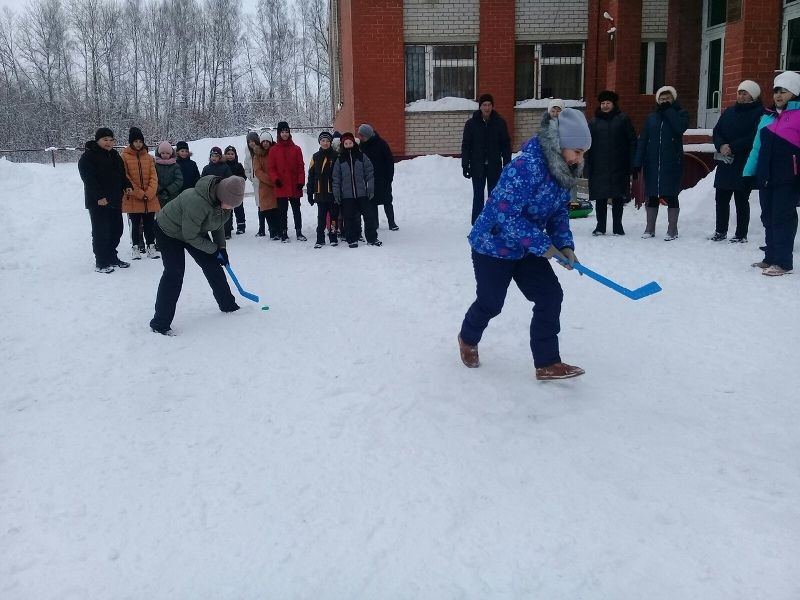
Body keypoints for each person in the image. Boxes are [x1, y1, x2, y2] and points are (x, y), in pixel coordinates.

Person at [458, 107, 590, 381]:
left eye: (582, 153)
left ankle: (547, 362)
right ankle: (467, 338)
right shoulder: (527, 166)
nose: (580, 158)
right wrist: (543, 245)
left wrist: (565, 245)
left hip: (527, 246)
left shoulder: (563, 173)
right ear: (560, 144)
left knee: (549, 296)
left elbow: (558, 213)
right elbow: (505, 212)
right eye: (576, 150)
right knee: (491, 303)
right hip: (493, 244)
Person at [149, 175, 246, 335]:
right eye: (228, 204)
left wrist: (221, 248)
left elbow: (217, 225)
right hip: (169, 231)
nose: (229, 207)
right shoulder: (196, 201)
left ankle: (228, 305)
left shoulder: (225, 203)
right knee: (174, 272)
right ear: (220, 194)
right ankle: (160, 323)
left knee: (213, 265)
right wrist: (214, 249)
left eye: (232, 206)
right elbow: (190, 236)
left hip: (193, 230)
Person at [743, 71, 800, 276]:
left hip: (789, 178)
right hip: (767, 177)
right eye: (776, 91)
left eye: (784, 92)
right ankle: (771, 257)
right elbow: (756, 148)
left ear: (794, 93)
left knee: (782, 218)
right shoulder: (766, 117)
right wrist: (749, 173)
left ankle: (783, 262)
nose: (778, 95)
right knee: (768, 216)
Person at [709, 80, 763, 243]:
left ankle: (741, 234)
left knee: (741, 199)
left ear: (753, 95)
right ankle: (720, 231)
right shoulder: (729, 111)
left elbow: (754, 136)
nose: (741, 95)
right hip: (726, 161)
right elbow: (717, 131)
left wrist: (732, 146)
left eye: (745, 93)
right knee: (721, 198)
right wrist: (721, 145)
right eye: (740, 92)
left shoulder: (760, 113)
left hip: (744, 161)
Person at [633, 85, 689, 241]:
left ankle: (672, 229)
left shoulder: (681, 114)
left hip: (671, 162)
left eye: (668, 98)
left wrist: (669, 111)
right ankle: (650, 228)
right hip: (652, 162)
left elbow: (680, 128)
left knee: (671, 194)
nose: (664, 101)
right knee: (651, 195)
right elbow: (643, 140)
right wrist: (637, 162)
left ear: (673, 99)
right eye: (662, 99)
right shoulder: (651, 118)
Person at [78, 127, 133, 273]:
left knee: (116, 230)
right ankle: (101, 261)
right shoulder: (88, 157)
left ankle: (112, 257)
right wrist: (99, 197)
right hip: (98, 201)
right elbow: (88, 179)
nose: (109, 143)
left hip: (115, 199)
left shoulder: (114, 155)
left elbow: (121, 174)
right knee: (101, 231)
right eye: (105, 140)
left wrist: (127, 185)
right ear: (98, 140)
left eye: (111, 140)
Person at [585, 90, 637, 236]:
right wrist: (588, 166)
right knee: (600, 198)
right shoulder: (594, 122)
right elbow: (587, 146)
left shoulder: (623, 119)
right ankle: (600, 226)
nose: (605, 105)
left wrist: (632, 163)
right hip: (599, 166)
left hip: (618, 164)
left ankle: (617, 226)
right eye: (603, 103)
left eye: (608, 103)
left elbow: (632, 141)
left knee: (618, 197)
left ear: (614, 104)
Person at [461, 93, 512, 224]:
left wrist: (507, 164)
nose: (487, 108)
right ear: (480, 107)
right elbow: (466, 145)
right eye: (484, 105)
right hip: (477, 166)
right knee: (478, 195)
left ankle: (493, 222)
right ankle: (477, 223)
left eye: (489, 105)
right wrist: (465, 165)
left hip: (494, 166)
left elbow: (505, 145)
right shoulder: (471, 124)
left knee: (494, 196)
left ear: (492, 106)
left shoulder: (500, 123)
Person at [332, 132, 378, 248]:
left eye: (350, 142)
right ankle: (352, 239)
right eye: (346, 143)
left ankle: (372, 238)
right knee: (349, 218)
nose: (348, 144)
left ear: (353, 143)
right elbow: (336, 178)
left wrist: (370, 187)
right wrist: (336, 192)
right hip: (347, 196)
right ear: (343, 145)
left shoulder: (362, 156)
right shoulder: (340, 159)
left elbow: (370, 173)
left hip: (362, 193)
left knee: (369, 216)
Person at [121, 127, 160, 259]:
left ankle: (151, 246)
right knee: (135, 224)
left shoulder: (149, 158)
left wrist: (149, 192)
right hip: (134, 197)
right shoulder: (124, 157)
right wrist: (138, 193)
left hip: (149, 198)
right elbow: (125, 176)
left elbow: (154, 176)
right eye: (136, 141)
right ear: (131, 142)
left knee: (150, 224)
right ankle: (136, 248)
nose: (138, 144)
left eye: (140, 141)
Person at [268, 121, 306, 242]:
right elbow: (271, 168)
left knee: (296, 210)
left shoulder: (296, 149)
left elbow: (301, 166)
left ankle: (299, 232)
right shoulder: (274, 150)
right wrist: (276, 180)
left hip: (294, 184)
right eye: (282, 132)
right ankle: (283, 232)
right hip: (281, 185)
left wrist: (301, 182)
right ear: (278, 133)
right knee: (282, 211)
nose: (285, 134)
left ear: (289, 133)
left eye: (286, 132)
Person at [357, 123, 398, 231]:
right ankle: (375, 223)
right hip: (370, 180)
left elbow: (390, 161)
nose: (360, 138)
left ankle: (392, 222)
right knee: (372, 202)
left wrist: (390, 178)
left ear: (368, 135)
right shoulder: (362, 146)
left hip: (383, 179)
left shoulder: (382, 144)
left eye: (362, 136)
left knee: (387, 201)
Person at [307, 131, 340, 248]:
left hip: (332, 194)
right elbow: (311, 176)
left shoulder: (336, 156)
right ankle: (320, 239)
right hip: (320, 194)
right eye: (323, 141)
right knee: (321, 218)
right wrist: (310, 193)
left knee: (333, 217)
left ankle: (333, 237)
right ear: (319, 142)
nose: (325, 143)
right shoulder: (315, 157)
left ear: (330, 142)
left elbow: (339, 176)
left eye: (327, 141)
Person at [253, 131, 278, 239]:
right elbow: (257, 171)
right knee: (268, 210)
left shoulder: (275, 152)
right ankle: (272, 231)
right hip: (265, 186)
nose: (266, 143)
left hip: (277, 185)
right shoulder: (257, 155)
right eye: (264, 141)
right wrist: (270, 180)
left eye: (268, 141)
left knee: (277, 210)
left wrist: (276, 180)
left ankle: (279, 230)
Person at [223, 145, 247, 236]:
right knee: (227, 209)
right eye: (228, 154)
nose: (230, 156)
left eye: (232, 154)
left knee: (239, 209)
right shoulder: (223, 166)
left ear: (235, 155)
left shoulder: (238, 165)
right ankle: (228, 227)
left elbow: (244, 176)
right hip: (226, 192)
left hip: (237, 191)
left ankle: (241, 226)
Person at [154, 141, 184, 208]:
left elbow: (179, 180)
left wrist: (168, 190)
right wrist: (160, 189)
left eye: (167, 153)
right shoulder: (155, 165)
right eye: (163, 153)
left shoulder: (175, 166)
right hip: (158, 196)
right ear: (159, 153)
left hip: (172, 196)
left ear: (171, 154)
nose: (165, 155)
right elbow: (153, 179)